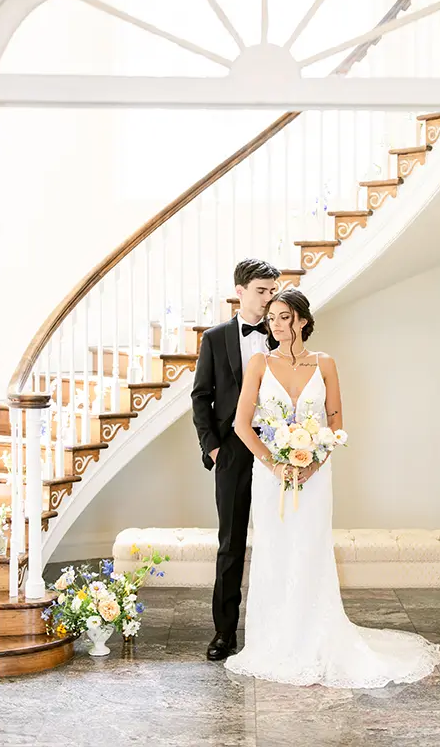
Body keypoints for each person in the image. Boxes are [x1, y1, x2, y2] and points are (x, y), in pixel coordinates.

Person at [224, 287, 440, 688]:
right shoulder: (258, 362)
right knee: (274, 550)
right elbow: (241, 426)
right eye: (271, 317)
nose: (276, 324)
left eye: (284, 316)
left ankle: (315, 638)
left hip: (314, 475)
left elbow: (335, 427)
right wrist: (275, 465)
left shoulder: (325, 363)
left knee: (309, 549)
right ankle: (273, 640)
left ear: (303, 320)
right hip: (271, 477)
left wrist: (311, 464)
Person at [191, 258, 280, 661]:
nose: (268, 299)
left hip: (280, 446)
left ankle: (279, 629)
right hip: (232, 451)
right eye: (261, 291)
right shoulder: (215, 338)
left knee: (280, 539)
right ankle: (224, 633)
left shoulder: (283, 333)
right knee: (231, 543)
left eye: (272, 291)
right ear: (240, 291)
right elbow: (200, 397)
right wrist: (213, 448)